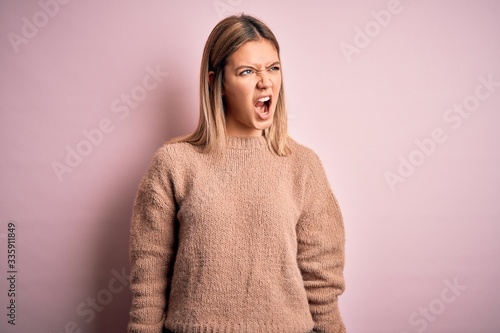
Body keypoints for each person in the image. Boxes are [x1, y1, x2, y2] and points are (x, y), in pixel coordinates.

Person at [127, 14, 346, 333]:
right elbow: (148, 276)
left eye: (273, 68)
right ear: (217, 82)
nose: (265, 82)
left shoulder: (302, 165)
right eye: (247, 71)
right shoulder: (174, 163)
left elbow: (322, 279)